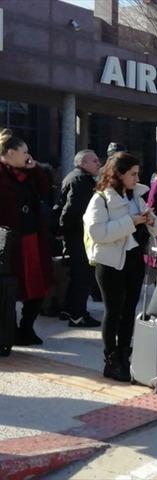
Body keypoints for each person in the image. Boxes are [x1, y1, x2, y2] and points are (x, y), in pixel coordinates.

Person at [83, 152, 157, 381]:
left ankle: (125, 356)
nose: (137, 178)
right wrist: (132, 222)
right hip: (110, 262)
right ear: (119, 173)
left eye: (138, 173)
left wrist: (150, 220)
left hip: (134, 260)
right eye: (133, 174)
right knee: (113, 311)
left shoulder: (137, 196)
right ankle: (111, 360)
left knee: (129, 312)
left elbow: (156, 227)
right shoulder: (100, 198)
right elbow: (97, 233)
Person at [0, 129, 54, 356]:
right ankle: (8, 332)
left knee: (38, 286)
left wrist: (37, 170)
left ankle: (26, 328)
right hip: (8, 242)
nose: (28, 156)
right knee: (8, 290)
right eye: (24, 152)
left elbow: (45, 192)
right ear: (10, 153)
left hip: (32, 238)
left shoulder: (30, 172)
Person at [58, 149, 102, 327]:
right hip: (79, 236)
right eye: (95, 161)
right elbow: (71, 210)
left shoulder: (75, 177)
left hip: (76, 235)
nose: (99, 163)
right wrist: (67, 230)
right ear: (82, 163)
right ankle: (77, 315)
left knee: (78, 276)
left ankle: (69, 309)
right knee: (83, 276)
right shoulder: (81, 180)